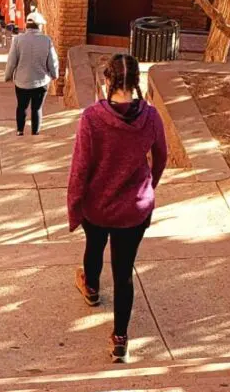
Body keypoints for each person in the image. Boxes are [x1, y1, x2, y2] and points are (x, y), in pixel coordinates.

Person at [67, 53, 168, 363]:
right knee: (124, 273)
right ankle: (120, 340)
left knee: (94, 248)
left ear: (106, 81)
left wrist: (74, 205)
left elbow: (81, 168)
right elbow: (161, 157)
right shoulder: (151, 117)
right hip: (134, 210)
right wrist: (148, 185)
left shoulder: (92, 118)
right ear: (136, 82)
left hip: (97, 206)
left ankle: (92, 288)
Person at [4, 11, 59, 136]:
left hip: (21, 81)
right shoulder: (47, 40)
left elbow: (11, 62)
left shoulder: (17, 40)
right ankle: (35, 133)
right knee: (37, 109)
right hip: (41, 82)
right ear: (39, 26)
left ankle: (20, 131)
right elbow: (53, 61)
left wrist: (8, 76)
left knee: (21, 107)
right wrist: (54, 75)